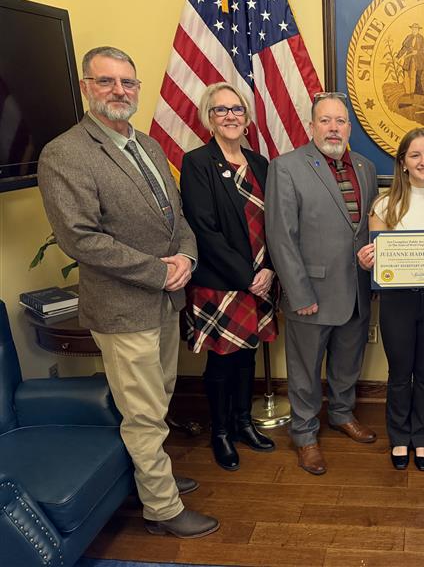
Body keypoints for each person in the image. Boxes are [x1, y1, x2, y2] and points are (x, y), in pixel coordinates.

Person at [37, 46, 218, 538]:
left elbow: (177, 217)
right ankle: (162, 508)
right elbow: (82, 239)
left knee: (159, 399)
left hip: (165, 300)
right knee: (143, 413)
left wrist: (186, 258)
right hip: (123, 308)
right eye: (106, 81)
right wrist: (159, 272)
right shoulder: (65, 153)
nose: (119, 91)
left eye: (127, 82)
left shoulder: (149, 146)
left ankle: (154, 477)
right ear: (86, 87)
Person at [265, 92, 378, 475]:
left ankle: (342, 414)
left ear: (349, 127)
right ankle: (304, 435)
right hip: (310, 293)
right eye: (325, 120)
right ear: (311, 126)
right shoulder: (287, 167)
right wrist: (298, 293)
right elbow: (281, 236)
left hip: (357, 289)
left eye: (340, 121)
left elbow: (369, 230)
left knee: (348, 363)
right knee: (305, 372)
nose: (333, 128)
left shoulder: (364, 167)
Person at [180, 82, 278, 472]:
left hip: (261, 277)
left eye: (236, 109)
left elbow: (275, 223)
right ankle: (220, 433)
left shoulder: (260, 164)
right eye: (220, 110)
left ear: (247, 117)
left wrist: (269, 268)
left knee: (247, 354)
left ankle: (243, 423)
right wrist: (247, 276)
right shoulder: (197, 162)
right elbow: (203, 229)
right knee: (222, 361)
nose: (230, 116)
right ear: (209, 118)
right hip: (221, 281)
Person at [357, 128, 424, 471]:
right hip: (397, 301)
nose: (423, 161)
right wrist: (367, 261)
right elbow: (375, 257)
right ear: (403, 162)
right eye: (415, 155)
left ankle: (423, 438)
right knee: (400, 373)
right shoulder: (384, 205)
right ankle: (400, 437)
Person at [396, 23, 424, 95]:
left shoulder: (421, 38)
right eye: (413, 29)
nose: (414, 30)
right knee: (406, 75)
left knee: (413, 76)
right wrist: (398, 56)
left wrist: (417, 52)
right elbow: (404, 48)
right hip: (408, 59)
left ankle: (412, 93)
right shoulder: (408, 37)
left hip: (416, 60)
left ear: (418, 30)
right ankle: (407, 92)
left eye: (416, 29)